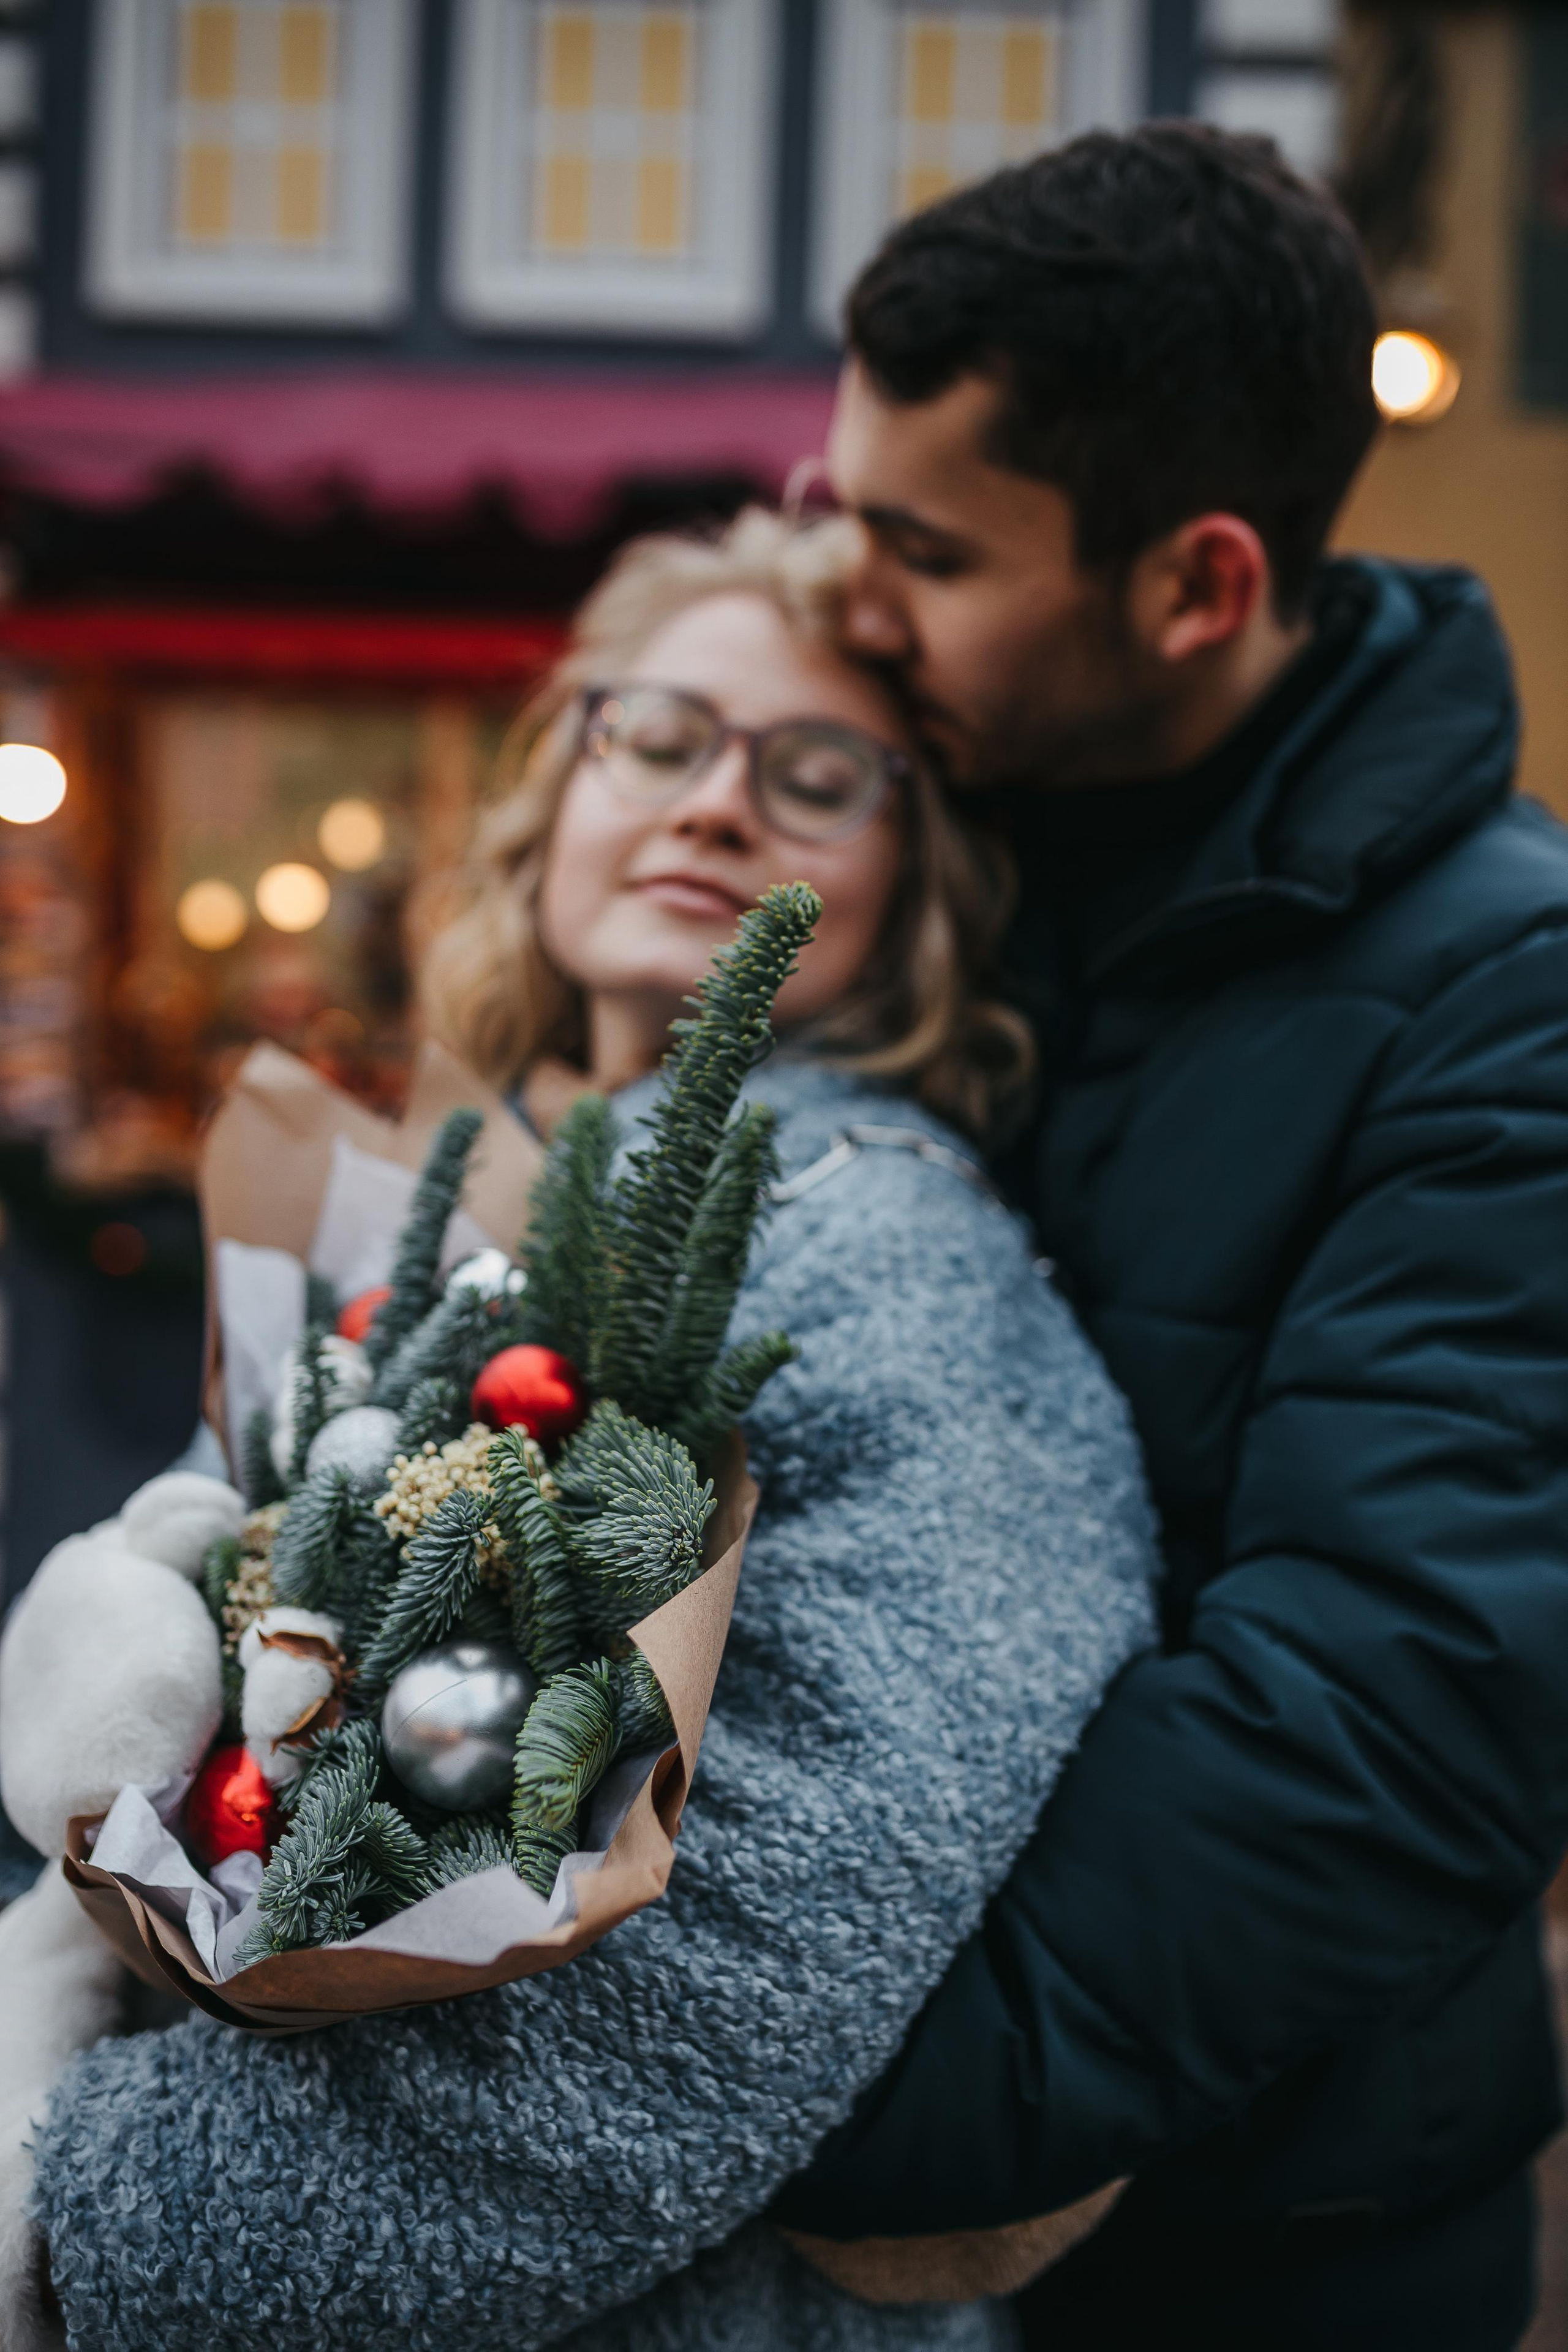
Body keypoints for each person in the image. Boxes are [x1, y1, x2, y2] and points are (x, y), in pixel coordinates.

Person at [4, 511, 1156, 2352]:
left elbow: (731, 1983)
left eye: (817, 773)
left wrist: (91, 2213)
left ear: (918, 885)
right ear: (561, 786)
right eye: (663, 735)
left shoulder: (888, 1249)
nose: (719, 804)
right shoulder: (514, 1207)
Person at [769, 121, 1568, 2351]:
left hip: (1265, 2255)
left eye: (924, 548)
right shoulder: (928, 846)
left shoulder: (1514, 998)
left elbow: (1396, 1713)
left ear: (1197, 584)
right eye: (845, 512)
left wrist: (787, 2087)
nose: (854, 596)